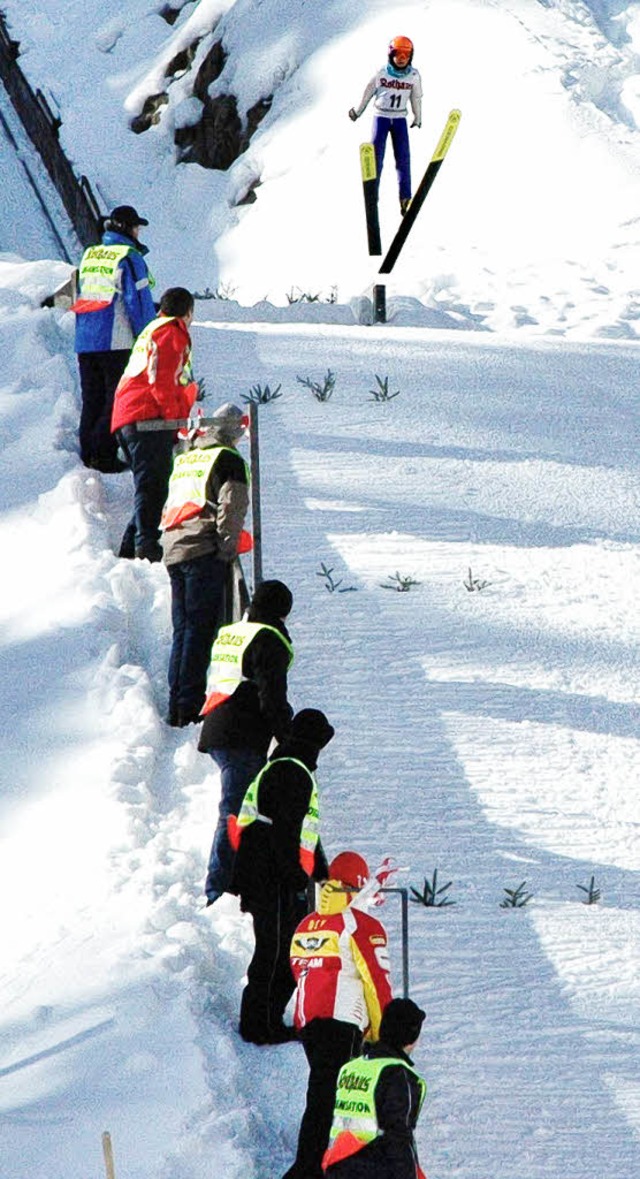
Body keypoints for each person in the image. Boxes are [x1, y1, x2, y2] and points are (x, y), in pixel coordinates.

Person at [284, 852, 393, 1179]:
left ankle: (322, 1164)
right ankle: (309, 1169)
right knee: (329, 1100)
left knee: (324, 1093)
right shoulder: (361, 925)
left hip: (308, 1022)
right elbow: (377, 983)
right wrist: (383, 1032)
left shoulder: (306, 924)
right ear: (359, 885)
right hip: (343, 1021)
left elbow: (297, 969)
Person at [230, 709, 334, 1045]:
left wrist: (322, 875)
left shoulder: (288, 766)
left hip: (267, 875)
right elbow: (284, 835)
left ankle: (265, 1020)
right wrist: (294, 879)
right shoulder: (292, 773)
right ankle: (259, 1025)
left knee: (279, 950)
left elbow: (305, 835)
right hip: (270, 879)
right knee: (275, 952)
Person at [198, 579, 295, 905]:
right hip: (242, 735)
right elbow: (271, 699)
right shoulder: (269, 640)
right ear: (281, 613)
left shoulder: (234, 630)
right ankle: (218, 889)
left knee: (245, 810)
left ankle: (238, 881)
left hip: (218, 727)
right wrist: (288, 740)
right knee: (235, 811)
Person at [161, 402, 251, 727]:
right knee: (200, 630)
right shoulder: (227, 459)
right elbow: (232, 503)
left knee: (183, 629)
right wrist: (227, 545)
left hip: (174, 548)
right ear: (232, 433)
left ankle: (176, 702)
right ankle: (190, 707)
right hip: (202, 548)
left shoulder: (189, 456)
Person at [111, 286, 198, 562]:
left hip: (131, 415)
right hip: (147, 417)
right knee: (153, 484)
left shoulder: (152, 329)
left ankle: (131, 544)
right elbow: (162, 379)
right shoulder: (171, 332)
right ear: (187, 313)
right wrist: (175, 420)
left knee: (153, 482)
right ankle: (145, 546)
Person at [73, 205, 156, 472]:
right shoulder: (129, 257)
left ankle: (88, 452)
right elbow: (138, 303)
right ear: (126, 228)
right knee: (116, 397)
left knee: (92, 398)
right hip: (115, 339)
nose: (138, 232)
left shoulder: (90, 254)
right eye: (136, 227)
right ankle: (104, 452)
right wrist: (148, 337)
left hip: (86, 339)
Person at [323, 997, 427, 1179]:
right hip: (374, 1167)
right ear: (412, 1037)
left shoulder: (351, 1068)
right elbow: (399, 1137)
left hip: (337, 1164)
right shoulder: (398, 1075)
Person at [348, 37, 422, 215]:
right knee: (376, 159)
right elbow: (368, 92)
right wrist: (357, 112)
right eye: (398, 54)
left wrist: (418, 117)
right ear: (391, 54)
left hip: (399, 119)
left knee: (403, 159)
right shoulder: (382, 73)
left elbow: (416, 98)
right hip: (381, 117)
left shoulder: (413, 76)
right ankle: (373, 197)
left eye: (406, 54)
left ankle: (405, 198)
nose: (402, 58)